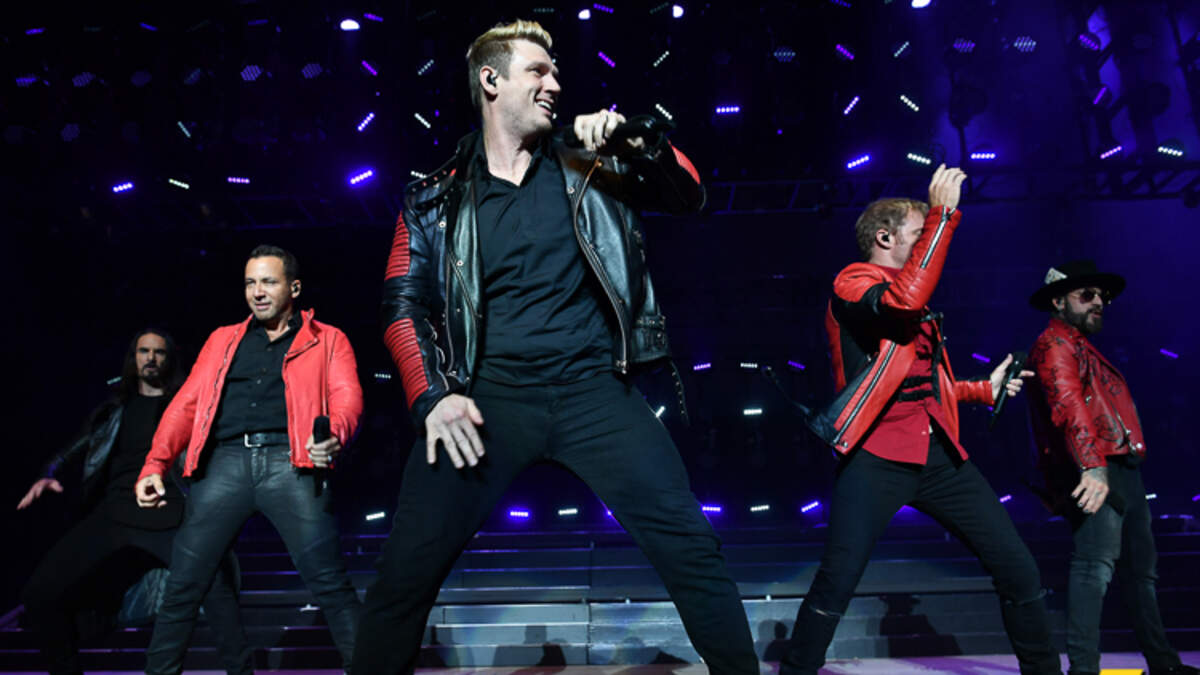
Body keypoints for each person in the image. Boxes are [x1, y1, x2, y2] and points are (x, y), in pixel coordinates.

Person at [353, 19, 758, 675]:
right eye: (538, 71)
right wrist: (432, 397)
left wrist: (639, 142)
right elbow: (402, 306)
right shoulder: (431, 199)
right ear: (491, 80)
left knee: (692, 549)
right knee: (404, 573)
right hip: (486, 404)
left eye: (557, 72)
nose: (555, 84)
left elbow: (691, 195)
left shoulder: (592, 162)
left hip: (595, 395)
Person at [779, 165, 1061, 675]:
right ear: (885, 238)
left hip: (939, 456)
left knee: (1017, 568)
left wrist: (984, 388)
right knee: (837, 581)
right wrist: (943, 216)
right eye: (918, 231)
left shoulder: (915, 293)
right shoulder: (853, 281)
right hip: (875, 456)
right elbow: (903, 302)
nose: (927, 235)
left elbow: (921, 383)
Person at [135, 245, 364, 674]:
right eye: (250, 283)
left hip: (291, 464)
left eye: (269, 282)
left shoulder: (328, 339)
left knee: (330, 584)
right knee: (183, 587)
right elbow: (186, 405)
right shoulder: (223, 339)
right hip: (224, 464)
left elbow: (346, 396)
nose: (257, 292)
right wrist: (156, 464)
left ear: (294, 288)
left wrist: (335, 434)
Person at [18, 329, 251, 675]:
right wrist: (48, 472)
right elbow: (74, 447)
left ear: (169, 360)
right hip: (113, 516)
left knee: (217, 591)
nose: (151, 358)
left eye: (159, 352)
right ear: (134, 358)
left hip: (170, 516)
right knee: (39, 593)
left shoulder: (186, 407)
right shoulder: (113, 410)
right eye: (144, 351)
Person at [1027, 260, 1198, 675]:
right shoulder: (1054, 345)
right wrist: (1092, 466)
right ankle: (1084, 669)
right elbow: (1067, 407)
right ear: (1058, 301)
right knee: (1094, 566)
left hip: (1120, 466)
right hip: (1093, 467)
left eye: (1102, 297)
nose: (1098, 302)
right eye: (1086, 295)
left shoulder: (1081, 346)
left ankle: (1163, 663)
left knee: (1141, 572)